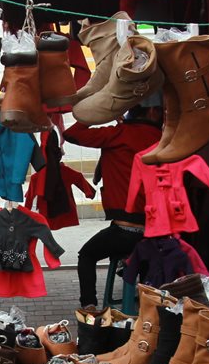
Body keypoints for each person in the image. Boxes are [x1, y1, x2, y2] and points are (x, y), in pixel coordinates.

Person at [64, 106, 165, 308]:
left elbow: (72, 134)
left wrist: (102, 112)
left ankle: (89, 306)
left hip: (125, 231)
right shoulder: (163, 137)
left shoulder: (118, 134)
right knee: (145, 262)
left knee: (87, 255)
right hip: (156, 234)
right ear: (153, 112)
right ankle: (147, 309)